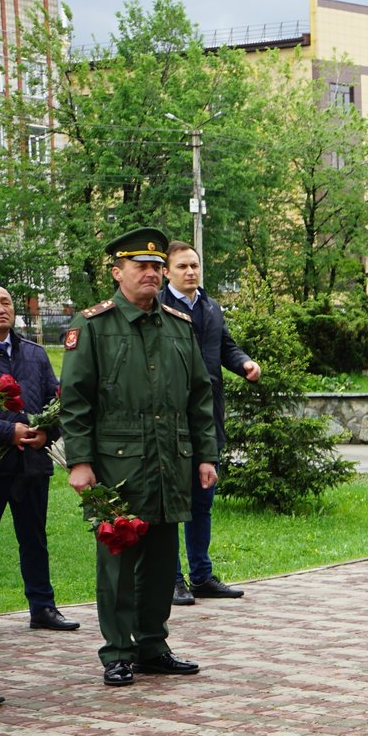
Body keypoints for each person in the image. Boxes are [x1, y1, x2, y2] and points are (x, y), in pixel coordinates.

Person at [62, 227, 219, 688]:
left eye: (155, 266)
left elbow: (199, 396)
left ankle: (153, 645)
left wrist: (205, 454)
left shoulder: (178, 324)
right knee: (118, 559)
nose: (150, 273)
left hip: (170, 459)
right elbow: (76, 400)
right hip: (117, 462)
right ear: (117, 272)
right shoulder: (92, 325)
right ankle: (117, 651)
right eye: (140, 266)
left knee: (160, 557)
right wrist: (79, 461)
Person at [161, 242, 259, 605]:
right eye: (183, 266)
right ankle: (172, 579)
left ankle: (202, 576)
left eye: (195, 266)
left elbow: (226, 347)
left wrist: (245, 363)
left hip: (208, 419)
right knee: (171, 503)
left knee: (203, 500)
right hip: (170, 421)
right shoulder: (156, 307)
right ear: (167, 272)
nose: (190, 272)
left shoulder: (211, 307)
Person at [0, 283, 76, 638]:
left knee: (34, 537)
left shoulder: (34, 353)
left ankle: (42, 606)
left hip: (32, 463)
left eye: (5, 302)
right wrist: (10, 432)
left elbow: (59, 400)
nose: (0, 308)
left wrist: (46, 433)